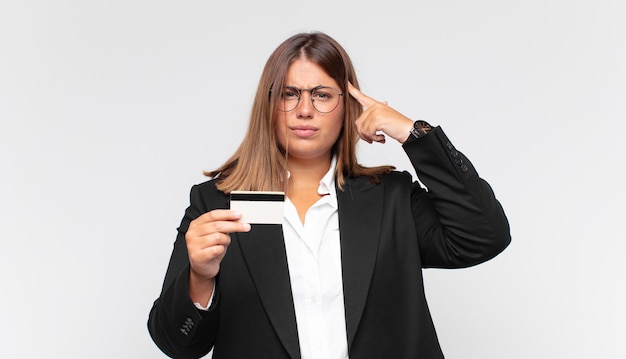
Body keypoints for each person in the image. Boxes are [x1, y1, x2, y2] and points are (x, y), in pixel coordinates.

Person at [147, 31, 511, 359]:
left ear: (347, 107)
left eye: (322, 95)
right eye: (290, 94)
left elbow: (483, 235)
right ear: (268, 105)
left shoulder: (391, 199)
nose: (305, 110)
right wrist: (200, 277)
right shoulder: (217, 203)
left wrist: (410, 132)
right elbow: (178, 344)